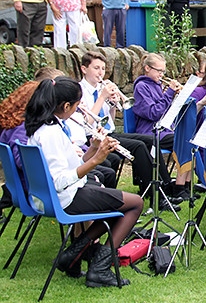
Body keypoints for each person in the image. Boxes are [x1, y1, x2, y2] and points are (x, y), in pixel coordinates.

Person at [24, 76, 143, 288]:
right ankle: (100, 268)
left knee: (114, 203)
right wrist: (98, 160)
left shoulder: (46, 127)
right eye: (77, 106)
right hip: (64, 198)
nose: (78, 111)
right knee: (135, 204)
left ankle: (73, 255)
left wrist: (93, 149)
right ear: (66, 106)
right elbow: (60, 180)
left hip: (58, 195)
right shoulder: (51, 133)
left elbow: (70, 165)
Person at [79, 51, 177, 209]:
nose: (101, 73)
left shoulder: (101, 88)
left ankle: (164, 187)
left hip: (107, 132)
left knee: (151, 141)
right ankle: (155, 196)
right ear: (84, 69)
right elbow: (87, 122)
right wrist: (102, 98)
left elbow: (108, 121)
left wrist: (112, 104)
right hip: (92, 138)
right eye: (96, 68)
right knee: (138, 146)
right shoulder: (80, 91)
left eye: (103, 69)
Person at [133, 53, 191, 201]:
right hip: (150, 131)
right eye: (158, 71)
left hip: (163, 129)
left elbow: (165, 111)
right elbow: (153, 113)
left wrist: (178, 97)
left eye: (163, 71)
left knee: (189, 139)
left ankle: (185, 184)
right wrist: (169, 93)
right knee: (182, 141)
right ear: (147, 68)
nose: (161, 74)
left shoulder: (158, 85)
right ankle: (177, 187)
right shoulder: (141, 87)